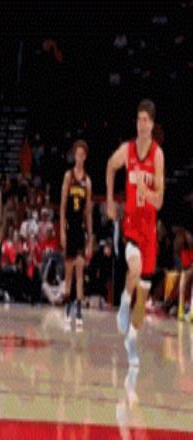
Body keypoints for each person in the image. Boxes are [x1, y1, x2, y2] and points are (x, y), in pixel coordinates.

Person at [106, 100, 165, 366]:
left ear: (152, 125)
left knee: (144, 297)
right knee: (135, 267)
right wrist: (110, 200)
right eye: (139, 119)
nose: (142, 125)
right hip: (130, 225)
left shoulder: (157, 155)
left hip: (149, 232)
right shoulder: (127, 150)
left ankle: (131, 340)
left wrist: (146, 192)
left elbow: (159, 201)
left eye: (146, 120)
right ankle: (123, 300)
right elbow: (110, 166)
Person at [60, 140, 93, 328]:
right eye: (77, 154)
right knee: (69, 272)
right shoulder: (68, 176)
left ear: (85, 157)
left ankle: (79, 310)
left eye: (82, 154)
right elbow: (63, 206)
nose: (79, 157)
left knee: (80, 270)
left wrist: (90, 238)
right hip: (69, 228)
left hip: (80, 229)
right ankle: (67, 307)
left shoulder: (87, 181)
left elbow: (88, 212)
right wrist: (62, 231)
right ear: (74, 156)